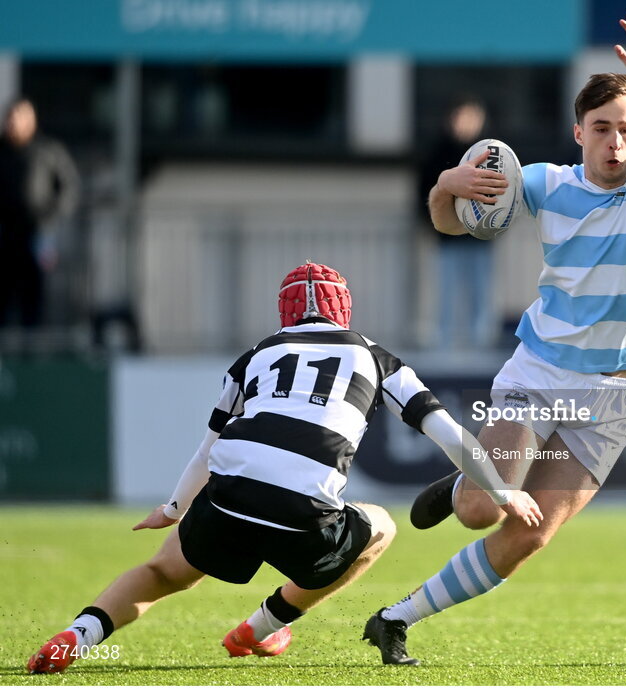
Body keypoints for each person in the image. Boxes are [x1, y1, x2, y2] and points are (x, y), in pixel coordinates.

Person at [365, 13, 626, 663]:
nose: (615, 141)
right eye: (601, 128)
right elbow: (450, 225)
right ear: (580, 133)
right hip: (540, 373)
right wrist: (444, 188)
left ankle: (393, 617)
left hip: (612, 398)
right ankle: (464, 487)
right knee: (481, 512)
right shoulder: (545, 183)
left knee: (529, 534)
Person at [26, 262, 541, 674]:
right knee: (380, 527)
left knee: (163, 572)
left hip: (226, 499)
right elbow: (448, 432)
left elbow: (210, 446)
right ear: (344, 310)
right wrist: (500, 492)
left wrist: (173, 508)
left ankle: (80, 637)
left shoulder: (257, 354)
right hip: (303, 517)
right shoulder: (376, 357)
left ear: (285, 314)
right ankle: (261, 626)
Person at [417, 96, 497, 348]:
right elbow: (424, 193)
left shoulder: (491, 155)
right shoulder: (437, 152)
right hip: (447, 239)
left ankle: (481, 342)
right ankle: (444, 343)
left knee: (480, 293)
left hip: (480, 240)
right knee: (447, 292)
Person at [0, 97, 80, 328]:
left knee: (34, 298)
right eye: (11, 117)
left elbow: (69, 188)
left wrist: (50, 218)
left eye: (21, 116)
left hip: (37, 236)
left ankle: (32, 354)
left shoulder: (47, 150)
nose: (15, 122)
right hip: (5, 237)